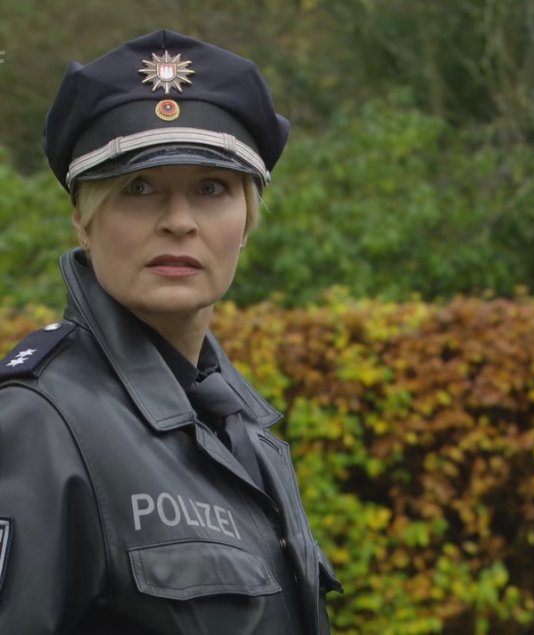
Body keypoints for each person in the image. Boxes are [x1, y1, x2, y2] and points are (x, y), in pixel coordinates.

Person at [0, 30, 341, 634]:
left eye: (211, 188)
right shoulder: (37, 424)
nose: (179, 222)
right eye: (138, 188)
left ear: (246, 223)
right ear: (83, 220)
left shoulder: (239, 423)